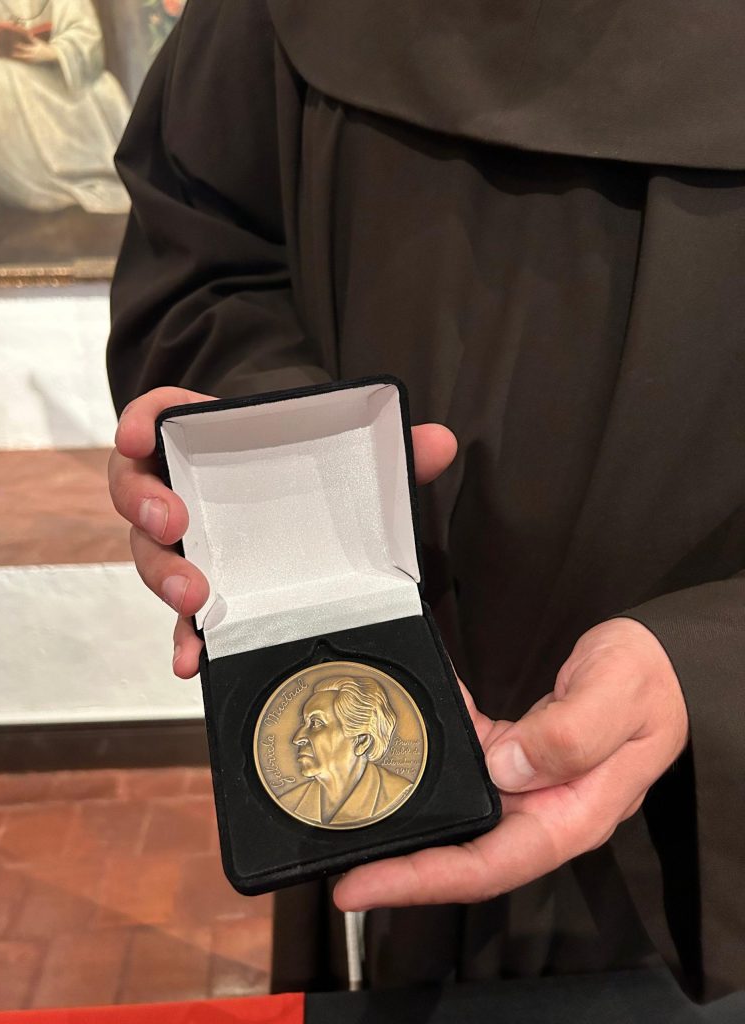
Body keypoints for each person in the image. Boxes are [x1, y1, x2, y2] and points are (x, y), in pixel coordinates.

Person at [106, 0, 745, 1002]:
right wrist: (261, 477)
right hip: (358, 669)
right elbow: (204, 252)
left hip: (699, 811)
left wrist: (711, 664)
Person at [0, 0, 130, 213]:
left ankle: (75, 172)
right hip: (13, 76)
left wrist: (52, 51)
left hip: (60, 79)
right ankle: (28, 180)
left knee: (102, 89)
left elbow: (87, 35)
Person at [283, 676, 411, 827]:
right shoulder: (291, 800)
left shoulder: (396, 793)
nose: (297, 738)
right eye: (303, 723)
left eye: (316, 723)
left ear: (362, 741)